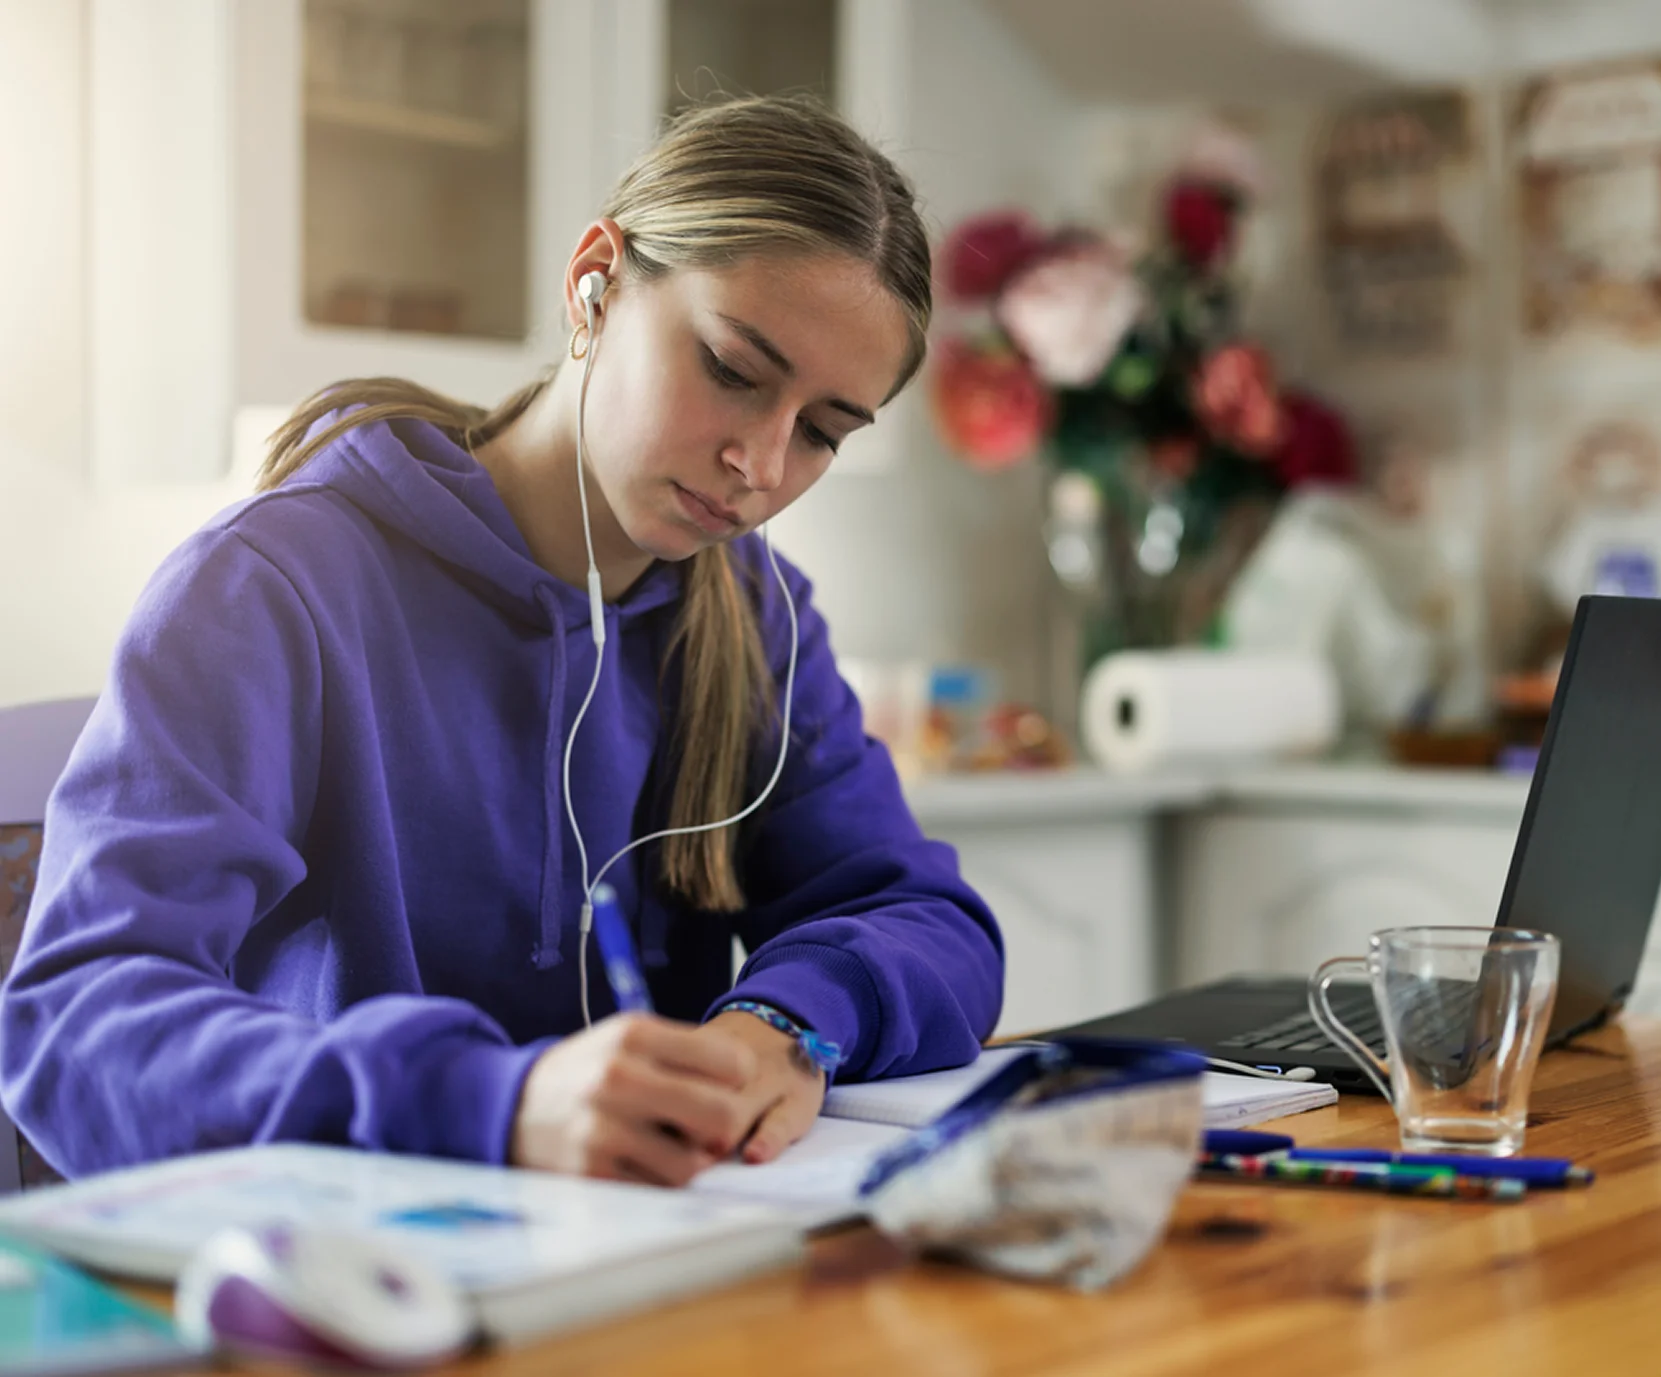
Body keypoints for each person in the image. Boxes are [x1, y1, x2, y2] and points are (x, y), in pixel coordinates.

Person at [0, 96, 1004, 1186]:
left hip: (643, 1263)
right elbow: (74, 1022)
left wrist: (784, 1021)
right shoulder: (273, 586)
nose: (760, 465)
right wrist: (494, 1104)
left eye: (819, 432)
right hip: (345, 1277)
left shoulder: (756, 614)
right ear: (596, 283)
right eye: (730, 369)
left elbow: (925, 918)